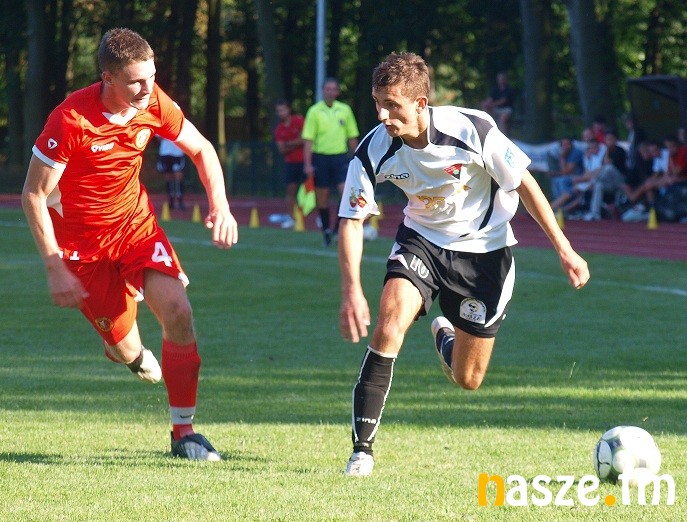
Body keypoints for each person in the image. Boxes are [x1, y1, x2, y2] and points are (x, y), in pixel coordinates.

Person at [337, 52, 589, 477]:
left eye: (392, 105)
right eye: (377, 103)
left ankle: (445, 340)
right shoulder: (373, 148)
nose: (382, 115)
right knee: (388, 325)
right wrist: (351, 291)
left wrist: (564, 248)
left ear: (420, 103)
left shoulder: (473, 129)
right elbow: (351, 220)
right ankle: (362, 452)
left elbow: (525, 184)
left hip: (485, 254)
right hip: (422, 242)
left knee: (468, 378)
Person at [21, 28, 238, 461]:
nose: (147, 88)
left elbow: (201, 148)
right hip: (82, 250)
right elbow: (32, 195)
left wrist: (221, 206)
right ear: (107, 77)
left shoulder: (153, 101)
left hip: (135, 229)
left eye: (152, 77)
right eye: (136, 81)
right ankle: (131, 354)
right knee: (124, 349)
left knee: (178, 311)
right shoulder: (71, 119)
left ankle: (184, 433)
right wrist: (54, 266)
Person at [302, 78, 359, 246]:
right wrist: (307, 164)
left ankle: (337, 229)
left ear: (338, 92)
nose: (330, 92)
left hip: (340, 158)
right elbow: (308, 139)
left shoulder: (345, 110)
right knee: (323, 196)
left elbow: (352, 136)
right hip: (321, 158)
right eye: (327, 89)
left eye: (333, 89)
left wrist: (358, 159)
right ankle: (326, 230)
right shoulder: (314, 111)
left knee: (346, 193)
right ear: (322, 91)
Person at [621, 135, 687, 221]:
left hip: (676, 180)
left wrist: (657, 181)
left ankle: (632, 199)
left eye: (654, 150)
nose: (653, 153)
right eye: (651, 151)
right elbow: (657, 174)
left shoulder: (669, 154)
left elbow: (673, 173)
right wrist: (651, 182)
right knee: (648, 186)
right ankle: (652, 210)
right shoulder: (657, 158)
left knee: (650, 185)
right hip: (668, 180)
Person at [582, 130, 628, 220]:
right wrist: (607, 150)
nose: (609, 141)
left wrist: (606, 150)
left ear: (615, 140)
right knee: (598, 185)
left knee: (608, 168)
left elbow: (608, 164)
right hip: (610, 183)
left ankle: (593, 182)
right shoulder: (606, 152)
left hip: (620, 180)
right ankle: (595, 213)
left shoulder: (620, 150)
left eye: (611, 139)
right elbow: (602, 165)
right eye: (607, 139)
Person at [273, 99, 305, 229]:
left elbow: (305, 139)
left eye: (283, 110)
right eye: (278, 111)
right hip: (290, 163)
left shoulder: (299, 121)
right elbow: (281, 149)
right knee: (290, 191)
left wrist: (288, 143)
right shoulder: (279, 129)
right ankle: (291, 218)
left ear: (288, 109)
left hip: (305, 161)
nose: (281, 113)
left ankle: (313, 218)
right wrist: (297, 142)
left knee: (311, 191)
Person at [157, 136, 187, 209]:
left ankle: (180, 200)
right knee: (168, 177)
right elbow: (158, 137)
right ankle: (171, 200)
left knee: (178, 176)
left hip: (177, 153)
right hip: (165, 153)